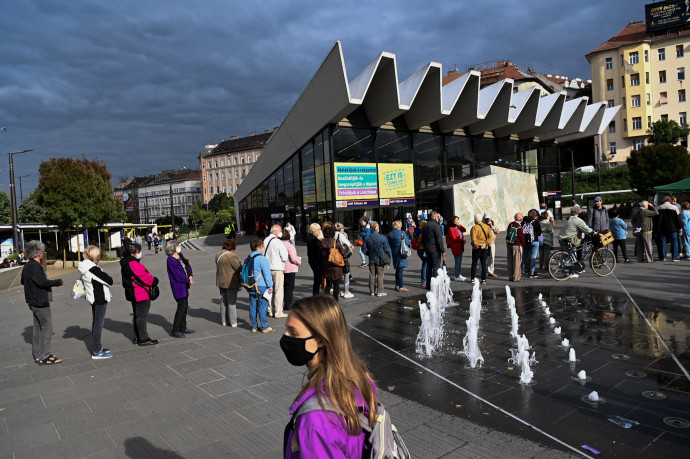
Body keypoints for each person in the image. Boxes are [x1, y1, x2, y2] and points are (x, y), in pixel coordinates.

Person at [281, 296, 378, 458]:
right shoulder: (358, 377)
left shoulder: (315, 421)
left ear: (320, 340)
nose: (285, 336)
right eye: (286, 329)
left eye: (293, 332)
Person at [21, 240, 64, 365]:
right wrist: (58, 282)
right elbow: (42, 282)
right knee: (46, 328)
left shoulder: (27, 265)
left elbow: (23, 281)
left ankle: (38, 355)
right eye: (42, 251)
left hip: (32, 300)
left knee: (37, 328)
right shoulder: (36, 266)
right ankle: (45, 355)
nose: (43, 253)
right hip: (40, 300)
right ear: (39, 252)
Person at [78, 245, 114, 359]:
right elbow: (109, 280)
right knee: (99, 324)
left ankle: (98, 346)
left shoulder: (85, 265)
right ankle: (97, 350)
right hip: (99, 297)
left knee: (96, 322)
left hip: (93, 297)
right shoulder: (93, 268)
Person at [120, 242, 159, 346]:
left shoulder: (125, 263)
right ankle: (143, 338)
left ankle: (138, 337)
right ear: (133, 253)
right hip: (139, 293)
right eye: (139, 251)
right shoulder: (133, 263)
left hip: (133, 292)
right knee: (141, 316)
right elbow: (144, 276)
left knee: (137, 315)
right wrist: (154, 280)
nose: (140, 253)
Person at [165, 240, 194, 338]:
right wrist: (187, 280)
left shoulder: (180, 255)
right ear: (172, 248)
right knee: (181, 307)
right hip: (178, 287)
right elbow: (178, 275)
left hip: (184, 286)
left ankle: (183, 327)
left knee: (185, 306)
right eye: (177, 245)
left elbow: (187, 265)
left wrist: (190, 276)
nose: (179, 246)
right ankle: (175, 329)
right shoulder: (171, 260)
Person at [246, 238, 274, 333]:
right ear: (258, 247)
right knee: (262, 306)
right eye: (262, 246)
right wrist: (270, 286)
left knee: (252, 306)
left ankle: (254, 326)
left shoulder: (248, 258)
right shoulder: (262, 258)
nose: (263, 248)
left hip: (250, 285)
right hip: (261, 285)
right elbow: (267, 274)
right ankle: (265, 327)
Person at [558, 205, 594, 271]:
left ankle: (563, 270)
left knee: (565, 255)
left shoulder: (570, 219)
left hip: (561, 238)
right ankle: (571, 272)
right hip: (568, 240)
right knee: (572, 257)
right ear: (577, 212)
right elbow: (586, 229)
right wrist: (593, 232)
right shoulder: (578, 220)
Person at [264, 224, 289, 318]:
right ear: (275, 232)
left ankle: (270, 310)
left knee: (269, 290)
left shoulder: (266, 240)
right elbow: (285, 256)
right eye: (280, 231)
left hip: (267, 268)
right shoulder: (278, 242)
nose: (281, 233)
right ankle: (278, 312)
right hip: (277, 268)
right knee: (278, 290)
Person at [215, 238, 241, 327]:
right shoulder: (231, 256)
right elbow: (238, 268)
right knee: (231, 302)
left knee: (223, 300)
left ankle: (224, 321)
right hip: (230, 282)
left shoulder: (218, 254)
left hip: (220, 281)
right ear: (232, 247)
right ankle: (233, 322)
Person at [362, 221, 392, 296]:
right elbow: (387, 249)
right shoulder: (382, 237)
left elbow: (363, 249)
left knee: (372, 275)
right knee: (380, 274)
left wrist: (369, 254)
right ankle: (380, 291)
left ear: (371, 229)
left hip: (372, 258)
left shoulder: (367, 238)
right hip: (380, 259)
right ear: (378, 229)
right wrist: (389, 258)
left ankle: (372, 291)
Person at [319, 225, 346, 301]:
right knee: (336, 286)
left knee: (327, 286)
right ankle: (335, 302)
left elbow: (319, 255)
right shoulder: (336, 242)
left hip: (326, 267)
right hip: (336, 267)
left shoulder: (321, 243)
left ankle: (327, 302)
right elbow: (343, 252)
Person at [421, 211, 445, 290]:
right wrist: (442, 250)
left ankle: (428, 284)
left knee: (429, 267)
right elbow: (439, 240)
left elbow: (423, 239)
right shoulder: (436, 226)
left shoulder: (425, 225)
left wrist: (425, 247)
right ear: (435, 217)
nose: (438, 218)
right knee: (436, 267)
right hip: (435, 249)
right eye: (438, 217)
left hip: (427, 249)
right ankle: (435, 285)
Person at [470, 214, 495, 284]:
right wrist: (486, 244)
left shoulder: (474, 228)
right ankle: (483, 279)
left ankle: (472, 278)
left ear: (476, 219)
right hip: (485, 248)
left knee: (474, 263)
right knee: (484, 263)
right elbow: (491, 237)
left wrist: (480, 244)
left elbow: (473, 240)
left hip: (476, 248)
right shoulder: (487, 227)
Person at [657, 196, 683, 262]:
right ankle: (674, 257)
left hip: (662, 227)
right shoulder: (674, 208)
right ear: (670, 200)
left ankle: (663, 257)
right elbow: (678, 219)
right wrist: (680, 227)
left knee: (662, 242)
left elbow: (656, 219)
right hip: (673, 227)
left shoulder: (659, 208)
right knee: (674, 242)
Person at [387, 220, 411, 292]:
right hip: (401, 253)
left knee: (397, 269)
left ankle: (397, 285)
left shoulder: (390, 234)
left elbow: (389, 244)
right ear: (399, 226)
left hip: (394, 253)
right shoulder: (402, 233)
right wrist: (410, 245)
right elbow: (407, 242)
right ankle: (401, 287)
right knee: (400, 270)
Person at [281, 230, 301, 309]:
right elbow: (293, 258)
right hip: (290, 268)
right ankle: (288, 304)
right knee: (289, 287)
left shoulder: (278, 244)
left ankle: (282, 302)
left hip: (281, 268)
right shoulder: (289, 246)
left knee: (283, 286)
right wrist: (299, 261)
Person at [334, 223, 354, 299]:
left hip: (334, 257)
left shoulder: (333, 235)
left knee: (337, 274)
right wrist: (352, 246)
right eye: (342, 228)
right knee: (346, 273)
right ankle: (346, 291)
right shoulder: (340, 235)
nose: (343, 229)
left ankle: (338, 291)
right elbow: (348, 243)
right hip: (342, 256)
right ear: (340, 229)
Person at [521, 209, 543, 278]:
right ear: (535, 216)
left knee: (524, 257)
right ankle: (532, 273)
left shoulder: (524, 222)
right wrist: (541, 241)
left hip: (525, 242)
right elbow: (539, 233)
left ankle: (518, 272)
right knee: (533, 257)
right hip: (535, 241)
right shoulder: (536, 222)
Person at [446, 216, 466, 282]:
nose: (458, 221)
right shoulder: (451, 229)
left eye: (458, 220)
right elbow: (454, 238)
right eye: (456, 220)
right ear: (453, 221)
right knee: (457, 262)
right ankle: (457, 276)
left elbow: (464, 230)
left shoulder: (458, 228)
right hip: (456, 247)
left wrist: (459, 225)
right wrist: (462, 241)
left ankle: (459, 274)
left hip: (460, 246)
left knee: (460, 261)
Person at [506, 213, 525, 282]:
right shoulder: (519, 226)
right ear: (521, 219)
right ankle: (517, 277)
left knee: (510, 261)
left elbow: (508, 232)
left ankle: (510, 276)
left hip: (509, 244)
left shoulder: (511, 224)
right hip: (517, 245)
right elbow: (521, 237)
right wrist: (523, 243)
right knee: (517, 262)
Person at [307, 223, 323, 296]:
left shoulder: (310, 238)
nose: (319, 232)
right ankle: (315, 295)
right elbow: (317, 253)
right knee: (317, 280)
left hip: (312, 262)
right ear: (314, 231)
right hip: (316, 262)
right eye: (318, 230)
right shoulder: (314, 240)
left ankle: (315, 295)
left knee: (317, 279)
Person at [483, 212, 499, 278]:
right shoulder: (482, 223)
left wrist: (492, 226)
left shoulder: (492, 223)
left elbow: (497, 231)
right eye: (486, 218)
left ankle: (491, 271)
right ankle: (482, 272)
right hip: (484, 243)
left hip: (492, 243)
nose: (487, 220)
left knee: (491, 258)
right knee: (483, 258)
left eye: (488, 218)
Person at [415, 221, 428, 288]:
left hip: (420, 250)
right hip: (423, 250)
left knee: (425, 264)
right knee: (425, 264)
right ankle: (424, 281)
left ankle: (424, 281)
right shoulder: (423, 233)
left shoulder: (418, 231)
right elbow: (420, 241)